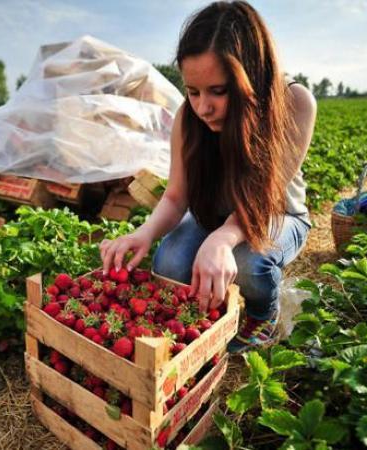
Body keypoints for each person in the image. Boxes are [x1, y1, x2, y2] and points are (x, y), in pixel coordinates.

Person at [99, 1, 316, 353]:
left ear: (253, 76)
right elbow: (174, 198)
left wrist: (222, 240)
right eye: (193, 91)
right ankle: (209, 313)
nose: (203, 108)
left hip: (276, 213)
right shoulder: (188, 119)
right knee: (168, 264)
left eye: (219, 91)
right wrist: (143, 233)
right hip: (213, 216)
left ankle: (262, 313)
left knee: (249, 263)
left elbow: (265, 195)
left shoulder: (293, 102)